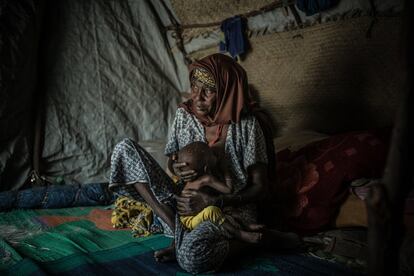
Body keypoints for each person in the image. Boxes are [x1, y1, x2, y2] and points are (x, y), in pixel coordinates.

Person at [109, 53, 301, 274]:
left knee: (191, 260)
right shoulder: (184, 115)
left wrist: (216, 201)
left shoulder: (247, 125)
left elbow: (260, 187)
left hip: (231, 209)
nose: (197, 97)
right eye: (194, 87)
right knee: (124, 150)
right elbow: (173, 163)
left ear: (227, 92)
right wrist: (177, 170)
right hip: (186, 206)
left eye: (208, 91)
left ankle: (250, 241)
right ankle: (177, 232)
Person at [174, 141, 264, 243]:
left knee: (225, 208)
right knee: (213, 211)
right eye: (213, 155)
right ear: (206, 168)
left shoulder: (188, 180)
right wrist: (225, 169)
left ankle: (245, 225)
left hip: (186, 217)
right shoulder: (206, 179)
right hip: (190, 221)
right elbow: (228, 190)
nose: (215, 155)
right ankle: (240, 234)